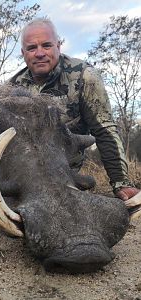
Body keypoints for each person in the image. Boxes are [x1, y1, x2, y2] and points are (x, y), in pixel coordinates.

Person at [9, 17, 141, 218]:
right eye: (31, 48)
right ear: (23, 53)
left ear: (58, 46)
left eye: (46, 45)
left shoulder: (84, 76)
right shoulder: (11, 87)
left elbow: (104, 130)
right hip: (25, 172)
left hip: (67, 171)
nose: (40, 53)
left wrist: (121, 182)